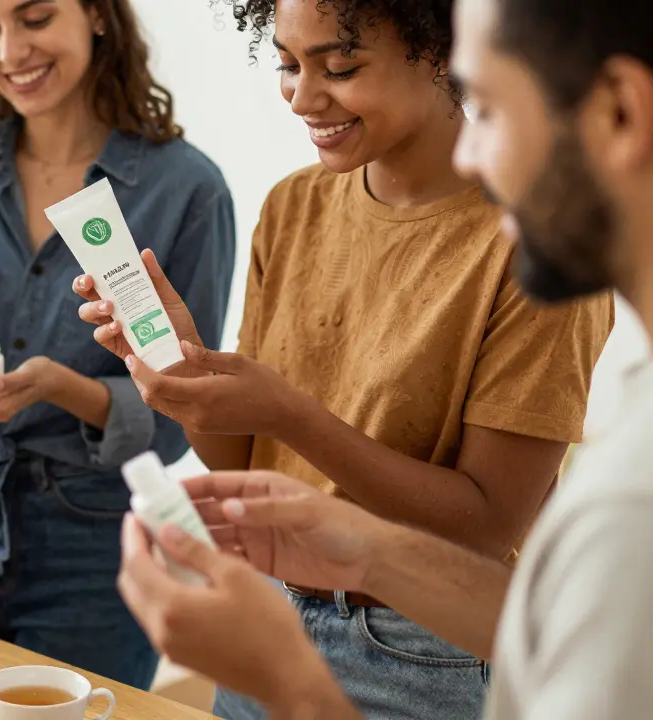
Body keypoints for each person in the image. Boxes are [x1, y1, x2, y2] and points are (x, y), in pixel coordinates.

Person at [113, 0, 653, 716]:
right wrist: (183, 374)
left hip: (422, 647)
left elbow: (490, 525)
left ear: (437, 54)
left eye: (339, 66)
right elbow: (249, 461)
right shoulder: (293, 207)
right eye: (286, 63)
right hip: (269, 603)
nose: (302, 95)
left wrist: (292, 415)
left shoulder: (536, 250)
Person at [0, 0, 233, 689]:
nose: (10, 51)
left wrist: (60, 387)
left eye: (34, 19)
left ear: (97, 15)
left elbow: (185, 416)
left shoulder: (185, 192)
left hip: (94, 539)